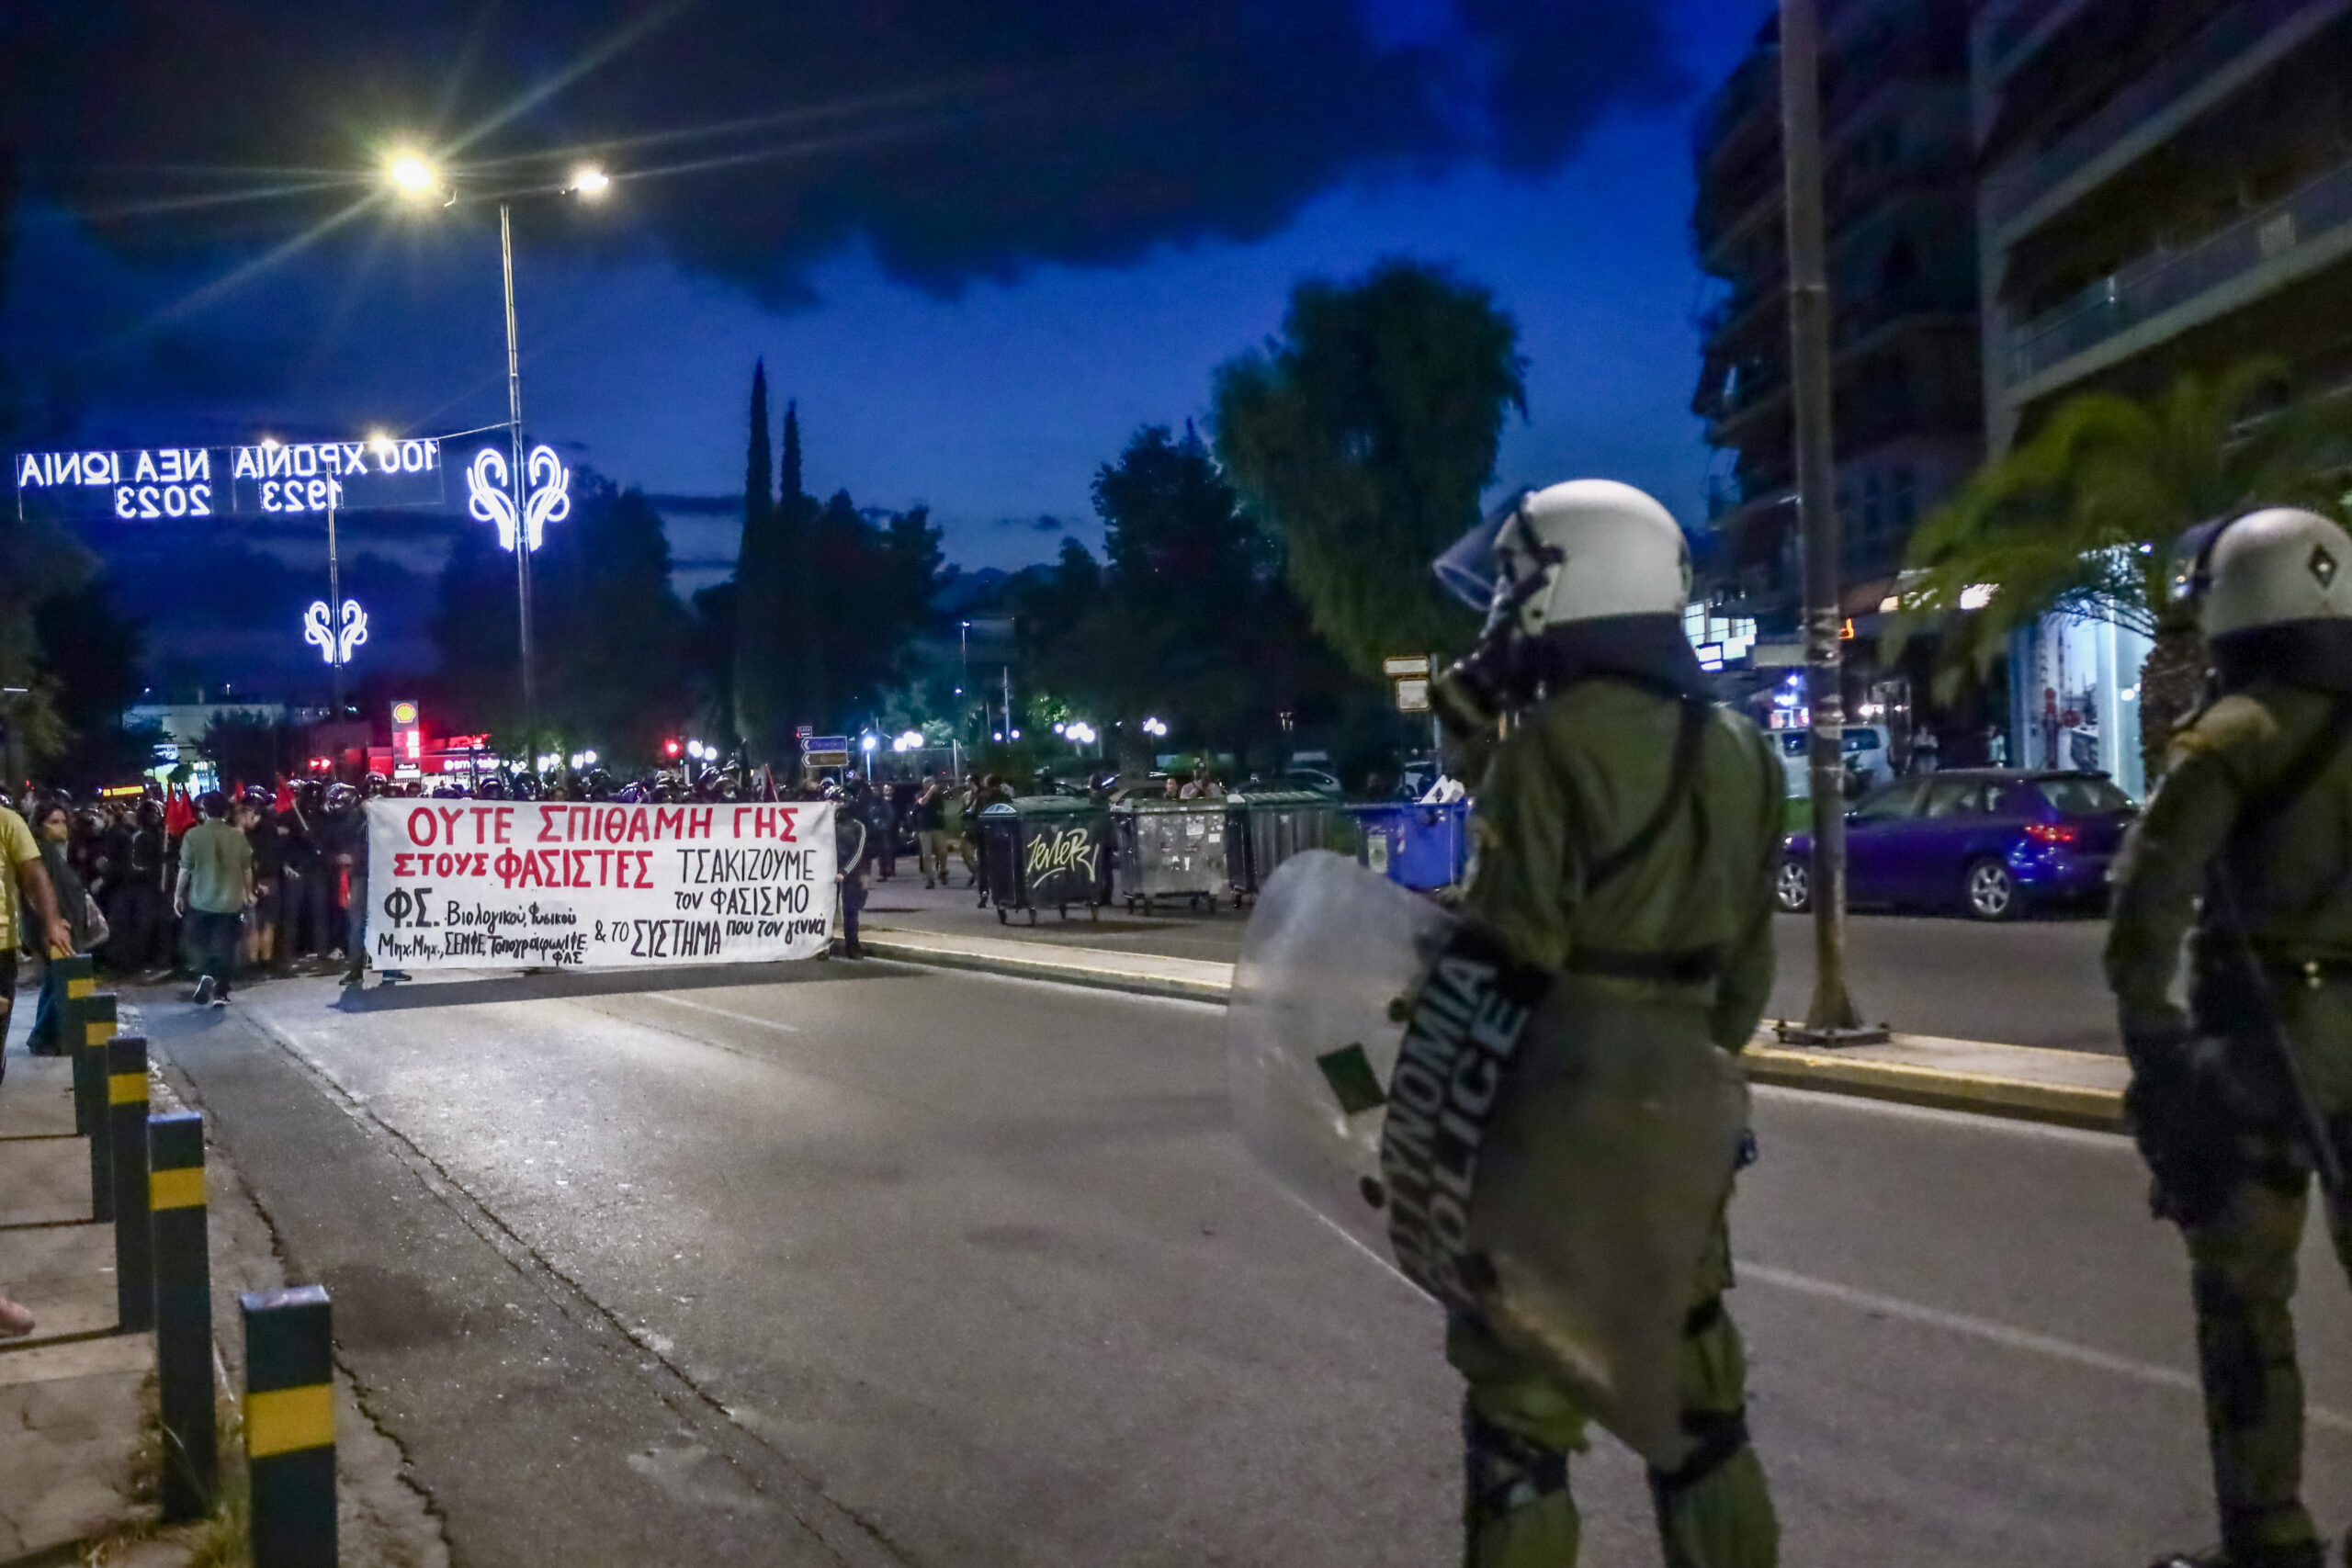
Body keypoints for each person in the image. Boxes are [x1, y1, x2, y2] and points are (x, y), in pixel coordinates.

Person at [1421, 479, 1784, 1567]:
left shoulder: (1548, 750)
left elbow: (1506, 955)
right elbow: (1746, 982)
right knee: (1699, 1403)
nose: (1497, 615)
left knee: (1522, 1423)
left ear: (1559, 586)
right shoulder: (1744, 751)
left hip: (1559, 1112)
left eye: (1513, 588)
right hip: (1679, 1105)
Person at [2106, 507, 2352, 1568]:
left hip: (2265, 1053)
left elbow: (2141, 924)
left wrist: (2162, 1060)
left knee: (2245, 1308)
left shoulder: (2233, 735)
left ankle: (2270, 1537)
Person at [25, 801, 95, 1055]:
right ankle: (43, 1036)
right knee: (63, 983)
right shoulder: (41, 853)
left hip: (66, 925)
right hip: (57, 928)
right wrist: (50, 922)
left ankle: (46, 1037)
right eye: (53, 822)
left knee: (54, 982)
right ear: (40, 826)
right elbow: (36, 891)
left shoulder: (56, 852)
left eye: (63, 821)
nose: (61, 827)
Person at [174, 791, 252, 1008]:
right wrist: (248, 891)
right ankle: (221, 993)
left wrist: (178, 894)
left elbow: (185, 869)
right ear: (226, 812)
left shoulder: (193, 835)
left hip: (201, 900)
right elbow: (247, 869)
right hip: (230, 901)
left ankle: (206, 973)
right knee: (226, 947)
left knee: (200, 942)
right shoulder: (238, 836)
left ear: (203, 811)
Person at [239, 790, 282, 971]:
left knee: (255, 925)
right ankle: (266, 961)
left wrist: (255, 884)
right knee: (266, 923)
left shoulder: (246, 833)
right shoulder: (271, 828)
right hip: (269, 879)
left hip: (255, 881)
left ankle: (255, 962)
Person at [833, 803, 870, 959]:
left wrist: (844, 871)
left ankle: (853, 945)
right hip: (829, 872)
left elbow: (858, 851)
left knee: (850, 910)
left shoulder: (858, 826)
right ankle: (824, 945)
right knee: (826, 910)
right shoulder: (825, 824)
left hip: (851, 873)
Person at [914, 773, 950, 889]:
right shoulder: (920, 794)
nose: (929, 784)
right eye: (927, 781)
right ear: (923, 784)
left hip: (938, 827)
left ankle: (942, 871)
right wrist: (930, 792)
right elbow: (922, 802)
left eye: (931, 781)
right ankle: (930, 878)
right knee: (927, 854)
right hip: (924, 828)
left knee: (943, 851)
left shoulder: (938, 796)